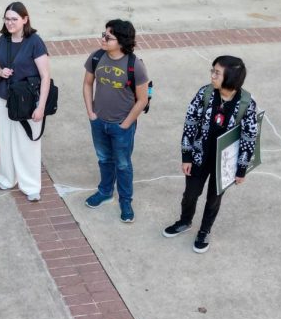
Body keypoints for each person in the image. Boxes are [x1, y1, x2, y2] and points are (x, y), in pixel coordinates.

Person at [162, 56, 259, 253]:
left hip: (224, 163)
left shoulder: (246, 103)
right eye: (212, 70)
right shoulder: (205, 93)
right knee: (190, 194)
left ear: (230, 78)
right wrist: (186, 156)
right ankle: (185, 221)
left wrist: (241, 169)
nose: (212, 75)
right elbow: (190, 123)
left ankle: (204, 231)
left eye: (217, 72)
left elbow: (250, 137)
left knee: (214, 199)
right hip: (199, 156)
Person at [82, 19, 149, 223]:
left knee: (122, 164)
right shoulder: (96, 57)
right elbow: (87, 84)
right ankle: (105, 191)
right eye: (103, 34)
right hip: (98, 121)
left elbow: (143, 99)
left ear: (121, 41)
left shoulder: (134, 65)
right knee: (104, 159)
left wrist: (126, 124)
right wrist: (91, 113)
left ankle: (126, 200)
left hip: (122, 125)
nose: (103, 39)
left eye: (108, 37)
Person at [0, 2, 50, 202]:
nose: (10, 23)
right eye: (7, 19)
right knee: (5, 139)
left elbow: (45, 76)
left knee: (27, 143)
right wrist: (1, 71)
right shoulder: (3, 40)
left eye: (14, 19)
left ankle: (31, 185)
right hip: (5, 96)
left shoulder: (35, 42)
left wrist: (41, 106)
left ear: (25, 19)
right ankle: (7, 178)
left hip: (27, 100)